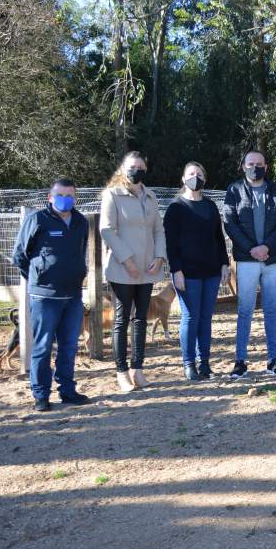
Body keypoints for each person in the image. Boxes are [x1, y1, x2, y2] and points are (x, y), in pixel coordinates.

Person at [13, 178, 90, 411]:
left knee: (68, 346)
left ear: (75, 198)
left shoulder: (80, 222)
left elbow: (80, 251)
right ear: (50, 197)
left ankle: (67, 391)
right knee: (42, 347)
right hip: (45, 297)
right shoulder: (37, 220)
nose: (65, 199)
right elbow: (20, 256)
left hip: (73, 296)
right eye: (60, 195)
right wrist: (40, 278)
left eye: (70, 195)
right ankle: (41, 395)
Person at [100, 151, 167, 393]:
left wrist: (159, 257)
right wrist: (127, 260)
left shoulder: (150, 197)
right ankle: (121, 372)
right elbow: (107, 229)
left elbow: (159, 230)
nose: (136, 169)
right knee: (122, 319)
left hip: (147, 269)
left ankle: (138, 370)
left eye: (140, 166)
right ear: (123, 168)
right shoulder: (112, 194)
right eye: (132, 166)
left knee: (141, 319)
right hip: (122, 269)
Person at [222, 150, 276, 379]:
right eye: (250, 163)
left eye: (259, 164)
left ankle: (273, 360)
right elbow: (230, 223)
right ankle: (240, 361)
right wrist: (252, 248)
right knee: (245, 310)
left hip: (272, 259)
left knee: (271, 309)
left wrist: (266, 247)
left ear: (266, 166)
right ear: (243, 166)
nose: (255, 167)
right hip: (246, 259)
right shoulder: (234, 190)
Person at [163, 162, 230, 381]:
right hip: (187, 272)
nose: (195, 177)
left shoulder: (210, 206)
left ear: (205, 179)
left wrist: (224, 264)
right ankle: (188, 363)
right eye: (191, 174)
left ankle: (205, 363)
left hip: (211, 270)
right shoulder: (176, 208)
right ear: (183, 179)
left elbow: (219, 239)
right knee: (190, 316)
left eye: (199, 174)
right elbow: (170, 244)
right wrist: (176, 270)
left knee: (205, 317)